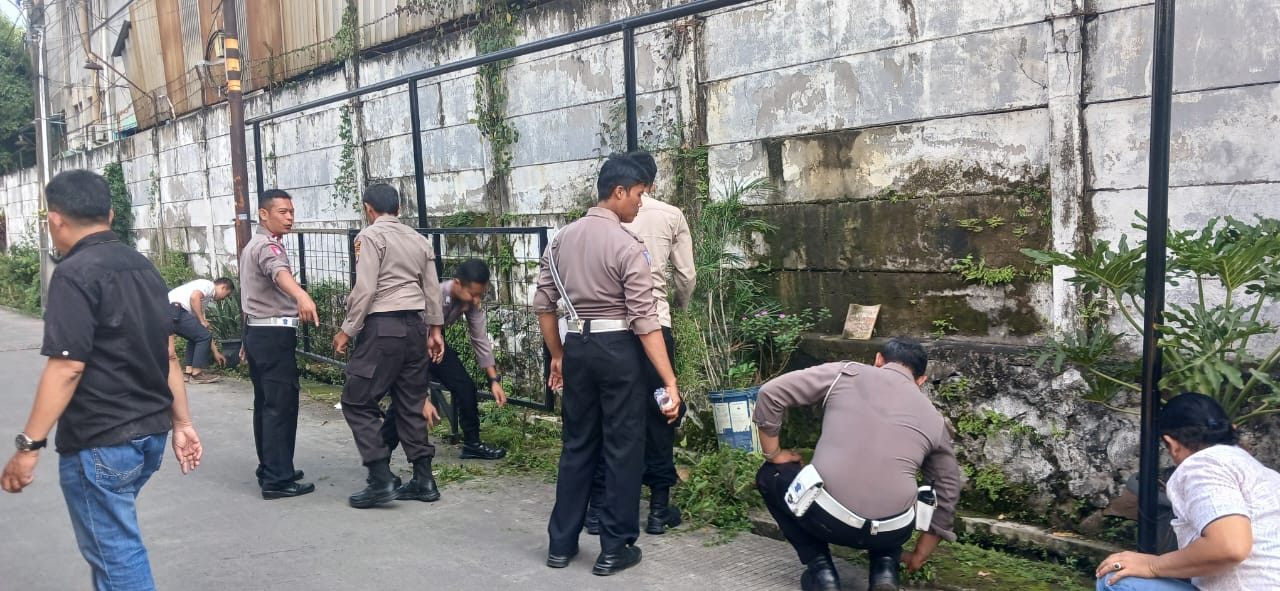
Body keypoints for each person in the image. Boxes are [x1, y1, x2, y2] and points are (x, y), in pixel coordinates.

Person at [1, 169, 203, 591]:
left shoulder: (75, 273)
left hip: (102, 442)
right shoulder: (142, 266)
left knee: (116, 555)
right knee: (114, 545)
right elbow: (167, 352)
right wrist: (182, 423)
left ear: (54, 219)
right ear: (110, 213)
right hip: (149, 436)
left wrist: (28, 447)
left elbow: (67, 367)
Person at [535, 154, 682, 576]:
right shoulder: (626, 244)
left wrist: (559, 356)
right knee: (622, 446)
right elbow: (645, 319)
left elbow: (544, 305)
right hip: (619, 351)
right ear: (618, 192)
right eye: (638, 194)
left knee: (578, 443)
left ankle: (560, 545)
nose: (641, 204)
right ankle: (614, 549)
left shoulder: (560, 240)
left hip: (577, 347)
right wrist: (669, 381)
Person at [753, 338, 962, 591]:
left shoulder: (845, 373)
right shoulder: (934, 419)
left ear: (878, 360)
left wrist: (774, 454)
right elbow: (948, 489)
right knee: (897, 490)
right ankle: (885, 569)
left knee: (770, 475)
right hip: (892, 531)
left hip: (826, 519)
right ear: (921, 381)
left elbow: (771, 392)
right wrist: (919, 554)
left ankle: (822, 572)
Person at [585, 150, 696, 536]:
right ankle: (658, 510)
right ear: (648, 183)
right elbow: (686, 276)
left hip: (612, 334)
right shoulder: (671, 215)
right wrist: (675, 310)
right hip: (656, 329)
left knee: (609, 417)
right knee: (662, 414)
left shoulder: (597, 216)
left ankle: (598, 509)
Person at [333, 183, 447, 509]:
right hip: (415, 328)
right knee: (411, 402)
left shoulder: (369, 237)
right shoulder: (418, 240)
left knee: (356, 400)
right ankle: (424, 480)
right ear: (398, 208)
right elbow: (432, 289)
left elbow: (365, 289)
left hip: (383, 328)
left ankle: (380, 478)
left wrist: (347, 330)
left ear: (368, 208)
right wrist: (435, 329)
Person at [1094, 393, 1280, 591]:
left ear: (1172, 444)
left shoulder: (1203, 464)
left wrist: (1152, 565)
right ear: (1231, 429)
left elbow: (1230, 546)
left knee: (1115, 578)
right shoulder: (1265, 474)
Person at [378, 258, 510, 461]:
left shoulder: (470, 301)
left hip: (436, 344)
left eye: (479, 295)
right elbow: (414, 336)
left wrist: (494, 381)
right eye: (473, 294)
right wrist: (421, 395)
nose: (476, 300)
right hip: (408, 347)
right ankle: (380, 457)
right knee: (406, 401)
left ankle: (472, 444)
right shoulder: (435, 295)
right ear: (457, 283)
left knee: (465, 387)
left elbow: (480, 338)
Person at [239, 188, 319, 499]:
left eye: (291, 212)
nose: (289, 218)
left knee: (266, 405)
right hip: (273, 336)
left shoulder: (253, 245)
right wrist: (300, 294)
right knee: (279, 406)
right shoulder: (267, 247)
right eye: (283, 212)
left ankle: (273, 465)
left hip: (259, 334)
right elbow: (279, 273)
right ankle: (277, 478)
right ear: (264, 214)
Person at [168, 277, 235, 383]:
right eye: (226, 295)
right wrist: (202, 320)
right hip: (175, 309)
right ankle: (197, 374)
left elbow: (203, 332)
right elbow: (194, 297)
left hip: (168, 311)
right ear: (223, 287)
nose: (224, 299)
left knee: (196, 337)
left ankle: (189, 372)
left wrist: (216, 352)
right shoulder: (208, 285)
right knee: (202, 336)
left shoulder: (203, 300)